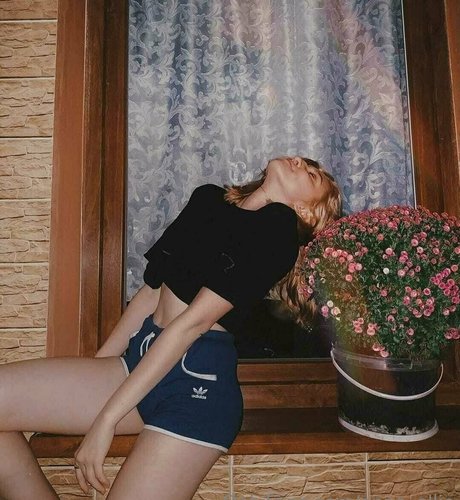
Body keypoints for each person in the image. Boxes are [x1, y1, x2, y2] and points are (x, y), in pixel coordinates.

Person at [0, 156, 341, 499]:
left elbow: (192, 324)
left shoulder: (278, 230)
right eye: (303, 161)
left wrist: (106, 419)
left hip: (195, 392)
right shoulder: (208, 200)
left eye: (311, 174)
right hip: (140, 362)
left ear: (306, 212)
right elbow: (151, 292)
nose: (298, 162)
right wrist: (94, 371)